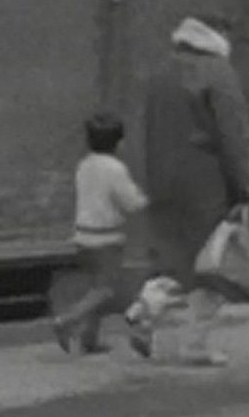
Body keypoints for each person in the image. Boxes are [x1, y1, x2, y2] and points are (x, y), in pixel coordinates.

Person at [129, 14, 249, 367]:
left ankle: (145, 310)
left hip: (163, 180)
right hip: (207, 182)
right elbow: (234, 138)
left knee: (177, 260)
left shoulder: (162, 72)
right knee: (216, 267)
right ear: (218, 35)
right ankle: (194, 344)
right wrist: (246, 189)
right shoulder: (219, 73)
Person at [52, 113, 148, 355]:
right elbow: (132, 202)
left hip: (82, 236)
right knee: (105, 290)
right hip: (107, 238)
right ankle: (66, 320)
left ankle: (89, 339)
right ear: (119, 142)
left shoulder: (84, 165)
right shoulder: (115, 169)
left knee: (95, 286)